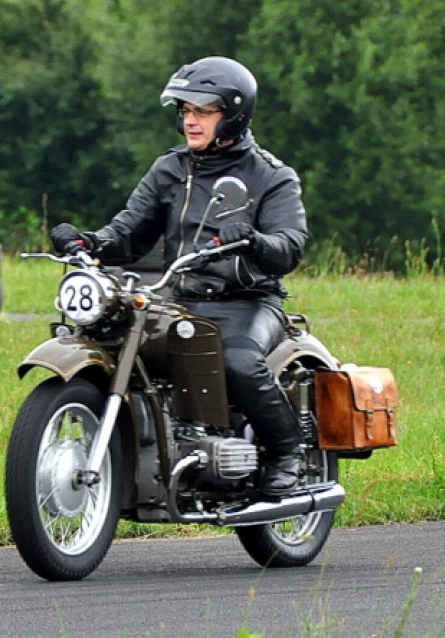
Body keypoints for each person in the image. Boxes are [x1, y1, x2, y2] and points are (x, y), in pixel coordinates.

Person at [50, 56, 307, 497]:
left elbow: (291, 245)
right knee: (115, 346)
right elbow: (129, 232)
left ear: (234, 114)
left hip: (247, 301)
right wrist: (90, 242)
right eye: (186, 111)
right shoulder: (170, 169)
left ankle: (289, 453)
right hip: (180, 299)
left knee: (239, 362)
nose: (191, 121)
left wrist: (253, 239)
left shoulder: (270, 176)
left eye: (203, 112)